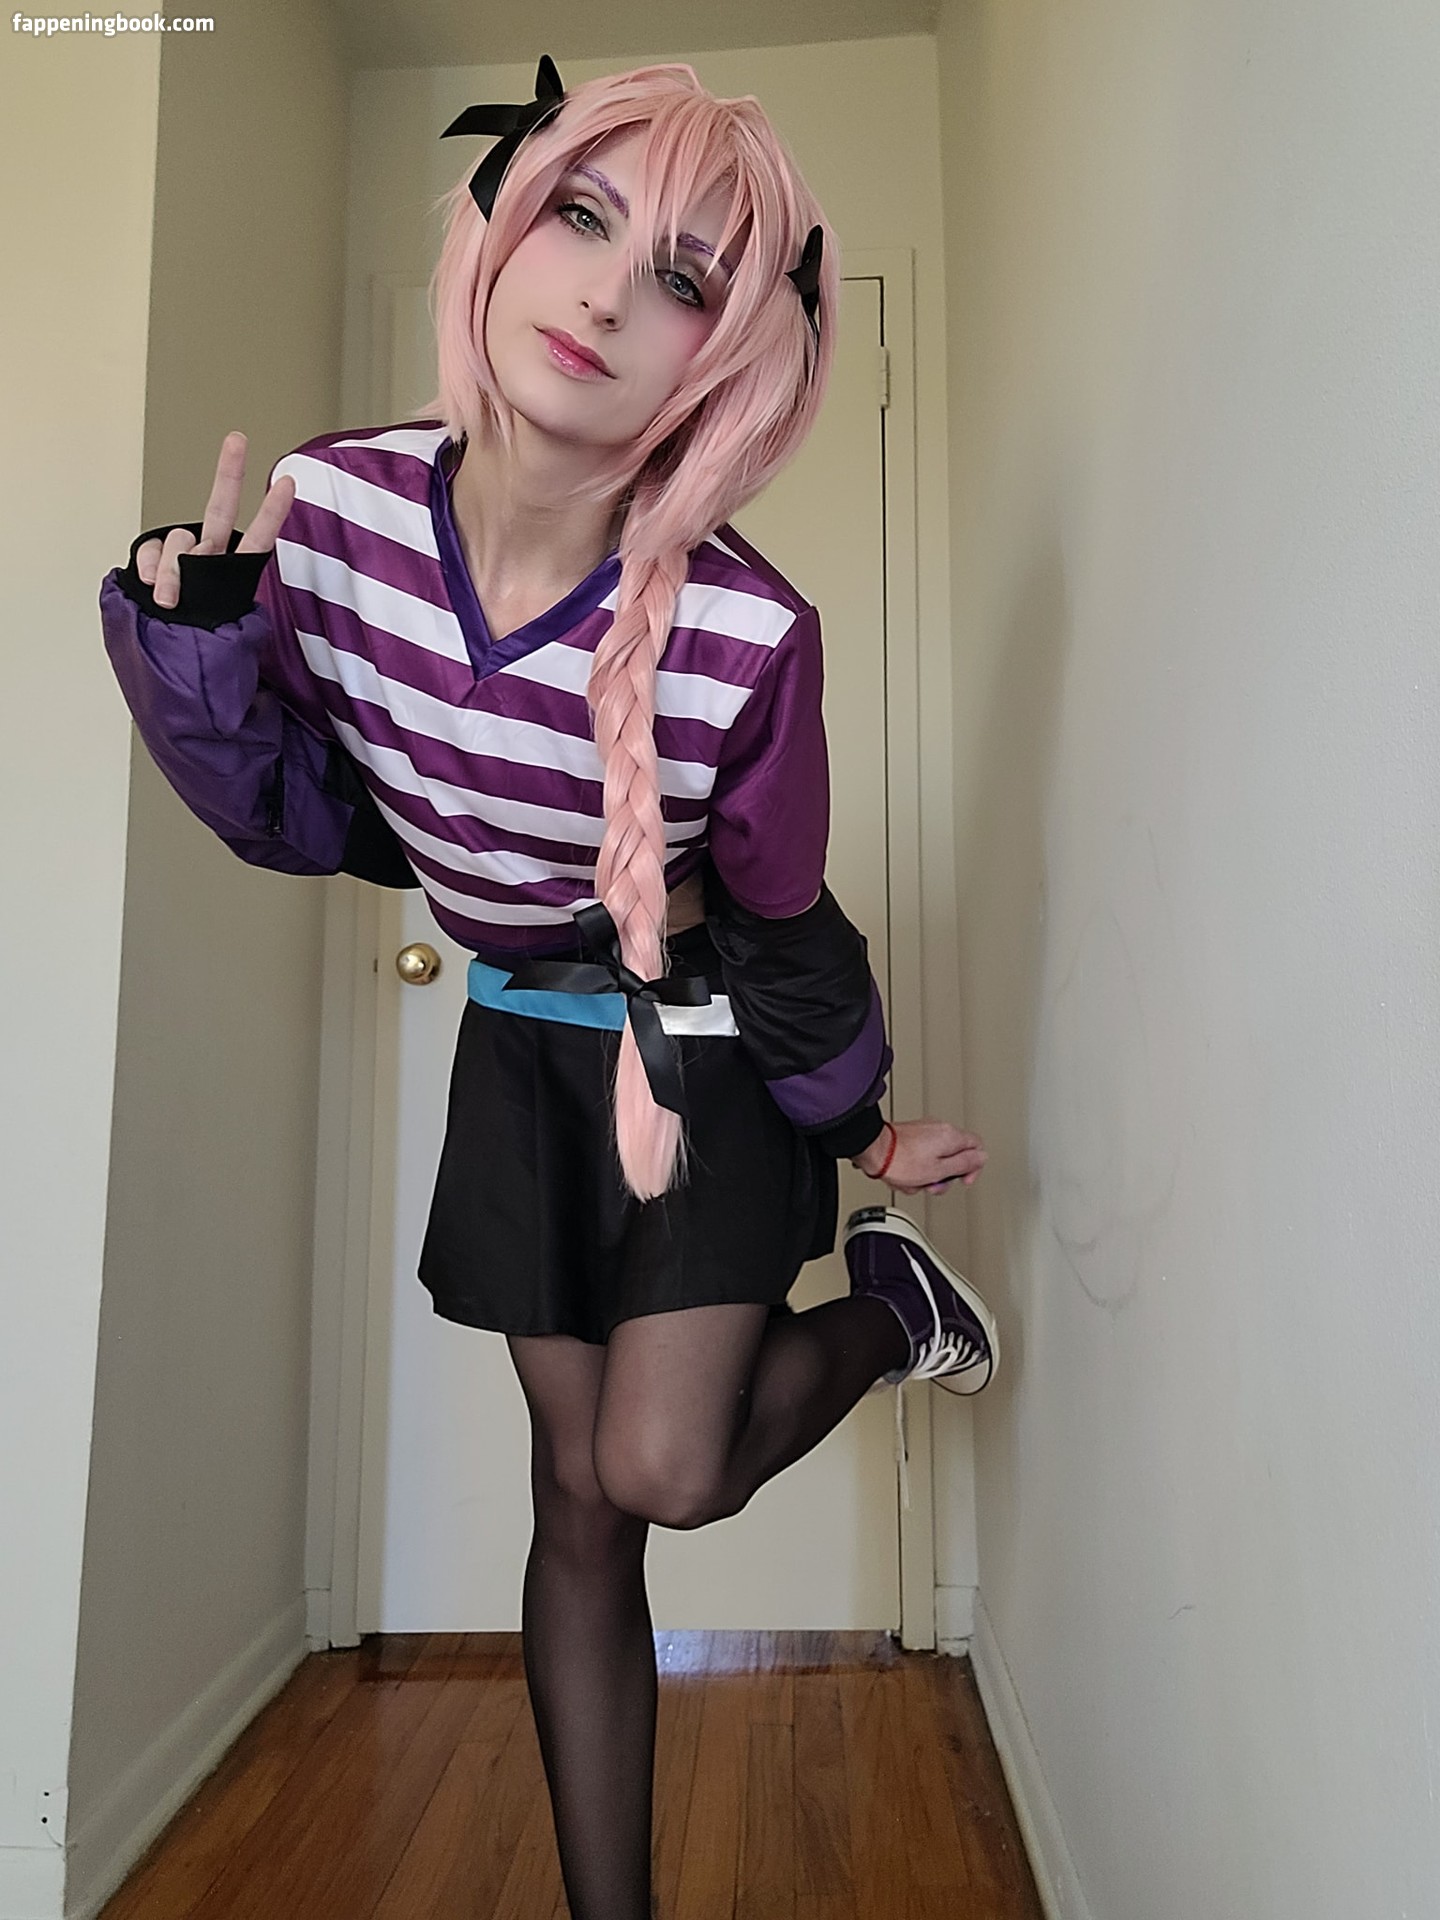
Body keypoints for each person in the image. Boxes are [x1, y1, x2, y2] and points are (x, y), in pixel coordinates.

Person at [98, 59, 1000, 1920]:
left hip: (707, 1053)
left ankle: (889, 1312)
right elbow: (318, 818)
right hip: (523, 1046)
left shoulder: (748, 634)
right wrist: (197, 650)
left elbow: (781, 919)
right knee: (574, 1500)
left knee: (663, 1468)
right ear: (498, 236)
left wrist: (859, 1124)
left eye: (681, 278)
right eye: (579, 219)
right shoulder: (332, 517)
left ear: (727, 358)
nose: (602, 294)